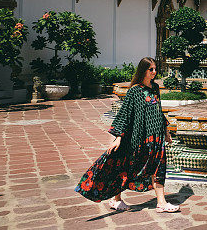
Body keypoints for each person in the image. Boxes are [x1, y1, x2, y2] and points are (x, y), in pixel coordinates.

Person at [75, 57, 179, 212]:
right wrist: (118, 138)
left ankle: (161, 203)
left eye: (156, 69)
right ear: (143, 70)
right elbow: (125, 115)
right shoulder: (134, 91)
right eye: (151, 69)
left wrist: (166, 131)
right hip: (140, 139)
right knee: (125, 166)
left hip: (156, 138)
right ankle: (116, 199)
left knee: (158, 168)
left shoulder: (155, 88)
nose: (154, 72)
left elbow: (158, 111)